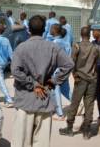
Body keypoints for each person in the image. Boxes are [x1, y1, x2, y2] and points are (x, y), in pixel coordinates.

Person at [11, 15, 74, 147]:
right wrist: (52, 82)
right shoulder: (52, 47)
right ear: (44, 29)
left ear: (28, 29)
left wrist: (32, 84)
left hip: (25, 102)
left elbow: (16, 71)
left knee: (21, 143)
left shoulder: (21, 48)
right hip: (44, 100)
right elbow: (69, 64)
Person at [59, 26, 100, 139]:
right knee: (89, 104)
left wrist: (74, 74)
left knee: (75, 104)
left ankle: (69, 129)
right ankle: (86, 132)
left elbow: (71, 62)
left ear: (81, 35)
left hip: (80, 79)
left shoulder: (76, 46)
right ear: (90, 35)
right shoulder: (96, 47)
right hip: (92, 80)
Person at [50, 24, 72, 120]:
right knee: (65, 90)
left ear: (55, 31)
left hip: (57, 70)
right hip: (66, 69)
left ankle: (60, 114)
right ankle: (78, 105)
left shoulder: (54, 43)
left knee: (56, 89)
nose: (49, 29)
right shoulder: (66, 43)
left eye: (51, 28)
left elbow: (52, 59)